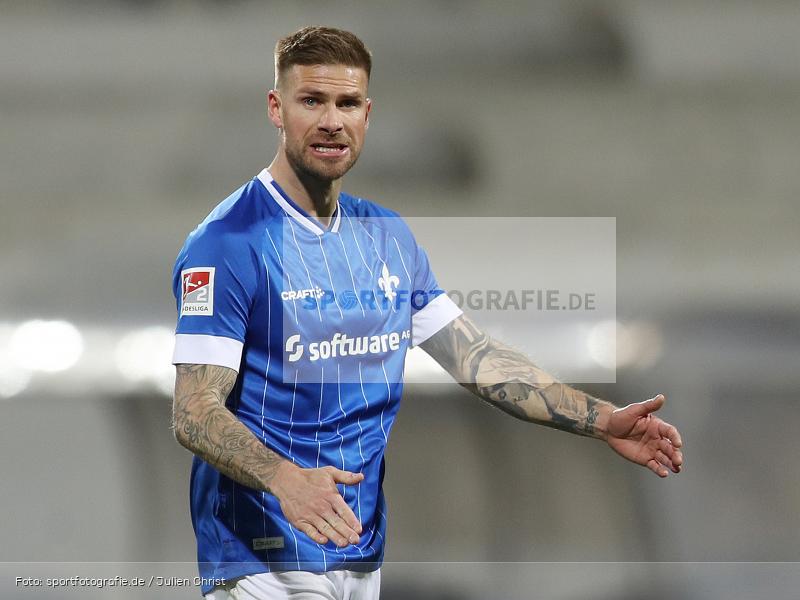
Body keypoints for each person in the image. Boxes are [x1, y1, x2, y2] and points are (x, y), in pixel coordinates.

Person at [171, 26, 684, 600]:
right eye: (311, 101)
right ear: (276, 108)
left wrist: (602, 419)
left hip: (357, 553)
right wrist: (285, 481)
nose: (331, 121)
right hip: (261, 556)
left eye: (347, 103)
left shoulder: (386, 237)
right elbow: (193, 410)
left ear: (368, 114)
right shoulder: (227, 243)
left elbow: (477, 360)